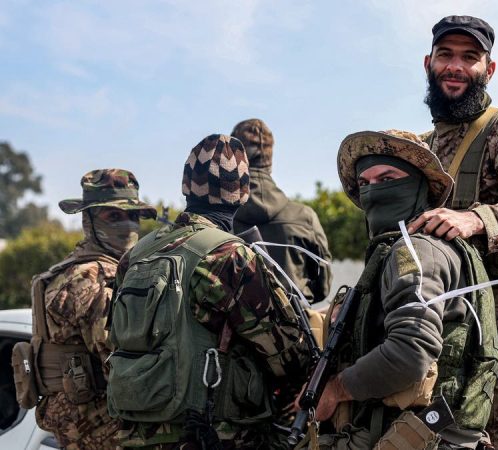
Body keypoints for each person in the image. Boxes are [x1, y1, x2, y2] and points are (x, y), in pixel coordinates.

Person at [408, 15, 498, 449]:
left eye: (469, 57)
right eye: (445, 55)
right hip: (440, 336)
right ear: (429, 63)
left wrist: (475, 219)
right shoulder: (419, 148)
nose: (455, 66)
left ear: (488, 69)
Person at [108, 134, 309, 449]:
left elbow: (114, 339)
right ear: (243, 193)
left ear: (185, 187)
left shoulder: (136, 255)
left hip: (135, 434)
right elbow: (286, 354)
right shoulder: (230, 256)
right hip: (209, 435)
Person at [306, 130, 498, 449]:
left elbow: (411, 353)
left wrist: (336, 389)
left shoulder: (414, 250)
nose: (373, 191)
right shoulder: (422, 246)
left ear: (418, 185)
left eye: (387, 179)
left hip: (418, 435)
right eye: (365, 183)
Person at [32, 169, 156, 449]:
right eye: (113, 216)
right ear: (88, 220)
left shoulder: (69, 268)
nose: (128, 226)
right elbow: (121, 364)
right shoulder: (94, 277)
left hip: (80, 430)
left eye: (133, 216)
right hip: (102, 431)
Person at [231, 118, 332, 303]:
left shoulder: (216, 222)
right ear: (270, 159)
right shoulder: (304, 217)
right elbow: (323, 285)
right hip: (296, 319)